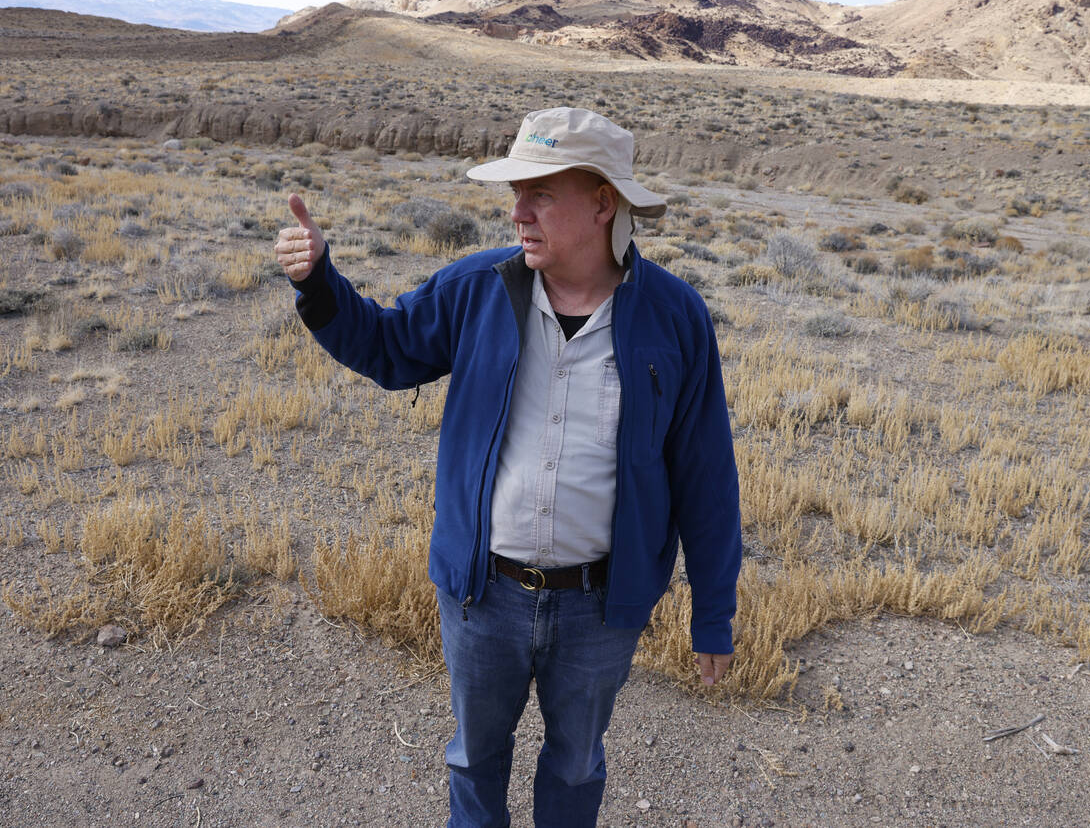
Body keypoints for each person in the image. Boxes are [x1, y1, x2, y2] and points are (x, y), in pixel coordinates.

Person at [274, 107, 741, 828]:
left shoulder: (675, 317)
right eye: (515, 193)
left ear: (602, 203)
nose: (518, 212)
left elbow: (705, 474)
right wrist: (321, 282)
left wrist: (713, 613)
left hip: (600, 608)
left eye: (541, 195)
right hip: (482, 596)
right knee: (473, 761)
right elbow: (389, 349)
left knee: (576, 766)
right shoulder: (479, 287)